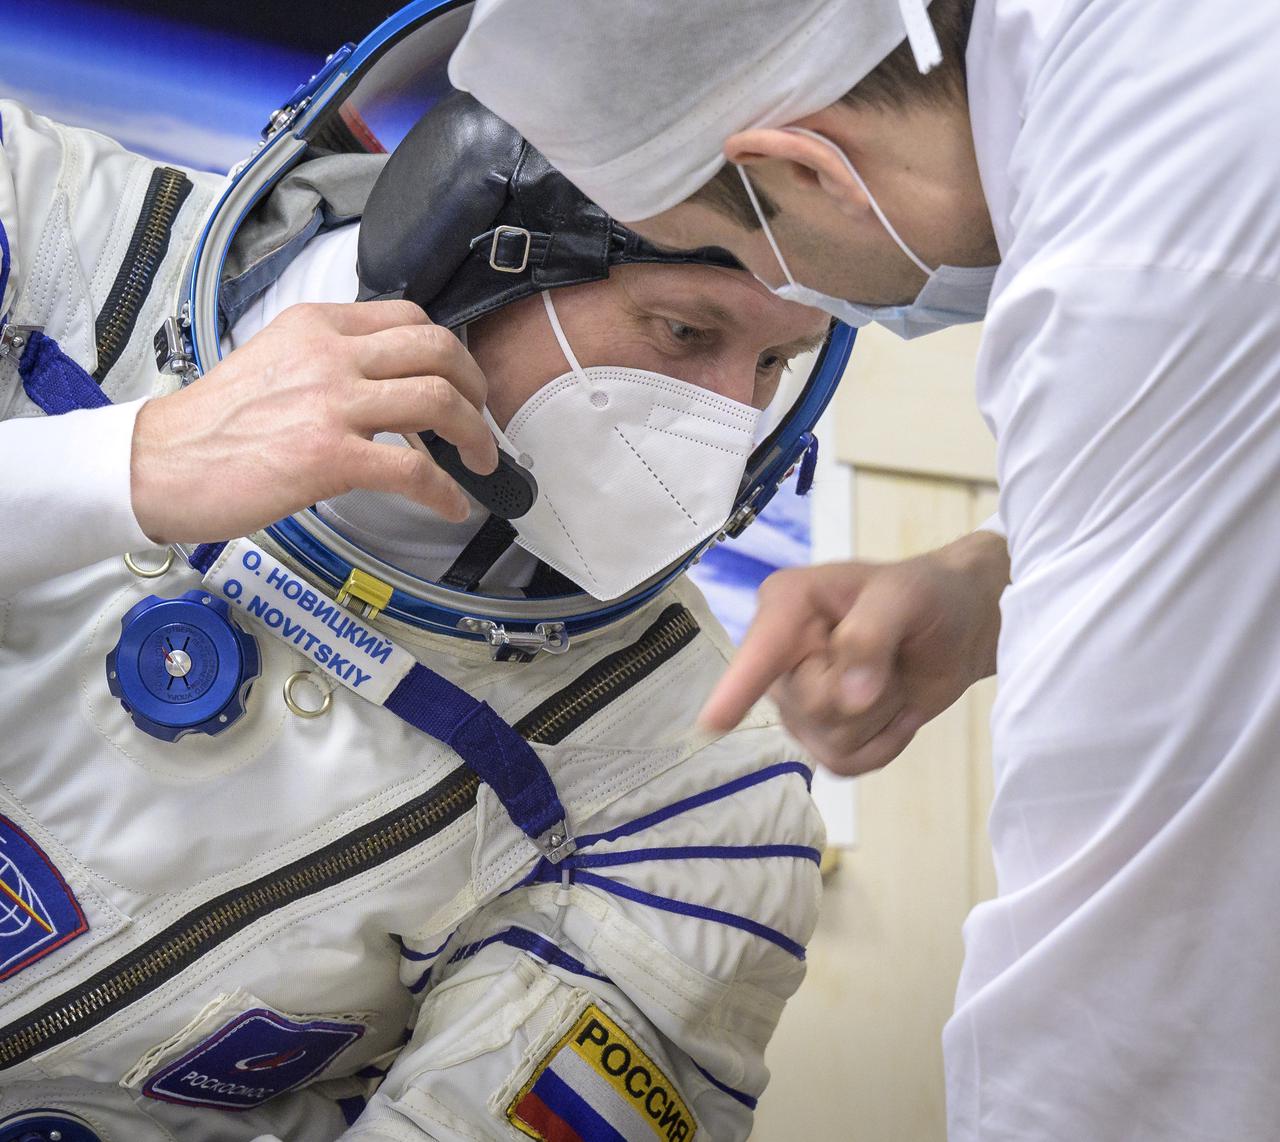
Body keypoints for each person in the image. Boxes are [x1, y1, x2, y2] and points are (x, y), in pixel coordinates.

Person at [0, 8, 846, 1138]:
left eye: (773, 363)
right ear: (451, 222)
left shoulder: (695, 792)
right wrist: (124, 464)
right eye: (684, 332)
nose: (726, 428)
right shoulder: (43, 230)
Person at [450, 0, 1280, 1139]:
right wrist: (998, 586)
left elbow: (1136, 1005)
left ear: (802, 168)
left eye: (750, 261)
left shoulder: (1144, 251)